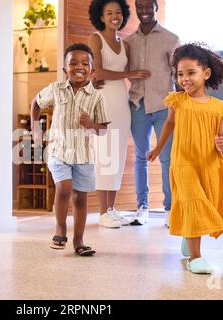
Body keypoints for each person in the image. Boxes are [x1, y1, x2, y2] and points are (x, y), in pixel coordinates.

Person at [147, 42, 223, 274]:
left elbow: (220, 137)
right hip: (183, 162)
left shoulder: (218, 107)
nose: (184, 79)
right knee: (193, 202)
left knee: (206, 203)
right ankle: (196, 257)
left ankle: (189, 235)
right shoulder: (178, 101)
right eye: (180, 74)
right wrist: (157, 148)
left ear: (205, 74)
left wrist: (221, 143)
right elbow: (170, 123)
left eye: (190, 73)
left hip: (207, 163)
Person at [30, 43, 111, 256]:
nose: (79, 67)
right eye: (73, 63)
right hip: (59, 152)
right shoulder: (56, 89)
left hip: (83, 155)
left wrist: (91, 125)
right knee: (64, 188)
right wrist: (35, 128)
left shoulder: (97, 97)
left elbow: (103, 129)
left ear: (92, 71)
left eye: (85, 63)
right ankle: (60, 229)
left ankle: (79, 240)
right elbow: (36, 104)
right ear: (65, 69)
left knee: (80, 198)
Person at [88, 0, 151, 229]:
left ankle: (112, 210)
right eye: (109, 13)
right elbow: (97, 72)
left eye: (118, 12)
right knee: (103, 155)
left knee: (117, 156)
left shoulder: (125, 44)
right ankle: (102, 211)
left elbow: (108, 73)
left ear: (123, 15)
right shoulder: (95, 39)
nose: (114, 16)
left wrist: (122, 74)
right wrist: (130, 73)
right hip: (102, 101)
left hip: (121, 103)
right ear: (101, 17)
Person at [125, 0, 179, 226]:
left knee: (166, 159)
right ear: (136, 8)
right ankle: (142, 207)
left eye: (149, 6)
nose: (145, 11)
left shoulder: (171, 38)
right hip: (137, 105)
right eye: (140, 6)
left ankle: (169, 209)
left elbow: (177, 74)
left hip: (163, 107)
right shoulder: (127, 42)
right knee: (140, 158)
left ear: (156, 7)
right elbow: (121, 70)